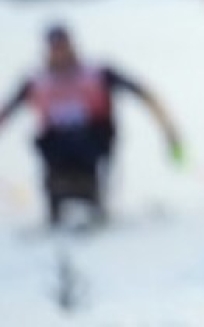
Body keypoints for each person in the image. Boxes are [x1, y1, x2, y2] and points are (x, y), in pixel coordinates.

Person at [0, 24, 184, 226]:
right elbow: (7, 112)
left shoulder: (97, 73)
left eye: (63, 46)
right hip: (54, 144)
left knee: (83, 149)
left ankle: (94, 200)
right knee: (52, 156)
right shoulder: (37, 81)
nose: (60, 52)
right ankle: (56, 209)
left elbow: (144, 95)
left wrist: (170, 134)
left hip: (93, 140)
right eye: (55, 47)